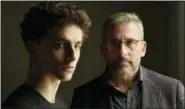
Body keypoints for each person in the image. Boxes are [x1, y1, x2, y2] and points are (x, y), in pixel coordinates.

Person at [71, 12, 184, 109]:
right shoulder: (83, 96)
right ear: (103, 49)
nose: (122, 52)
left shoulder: (172, 91)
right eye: (114, 43)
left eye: (130, 43)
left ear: (143, 49)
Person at [2, 1, 91, 109]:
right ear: (32, 48)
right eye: (61, 45)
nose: (72, 57)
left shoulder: (60, 104)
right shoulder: (17, 106)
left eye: (77, 46)